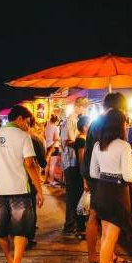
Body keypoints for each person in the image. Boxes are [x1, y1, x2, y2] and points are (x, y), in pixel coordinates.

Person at [0, 105, 43, 263]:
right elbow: (30, 164)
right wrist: (39, 189)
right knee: (21, 229)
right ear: (19, 118)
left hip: (0, 191)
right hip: (20, 191)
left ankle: (10, 261)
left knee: (2, 229)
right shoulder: (24, 137)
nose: (28, 125)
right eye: (27, 121)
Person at [81, 93, 129, 263]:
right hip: (103, 180)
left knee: (104, 220)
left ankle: (107, 259)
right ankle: (96, 259)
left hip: (97, 177)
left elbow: (91, 155)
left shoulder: (97, 122)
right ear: (118, 108)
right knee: (96, 217)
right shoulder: (104, 123)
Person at [90, 110, 132, 263]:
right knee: (110, 236)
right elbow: (128, 176)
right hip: (116, 191)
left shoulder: (98, 145)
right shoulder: (123, 145)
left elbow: (93, 172)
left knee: (106, 233)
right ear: (120, 125)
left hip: (102, 189)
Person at [60, 97, 88, 234]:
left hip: (73, 162)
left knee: (75, 195)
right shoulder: (72, 119)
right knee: (72, 196)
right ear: (79, 106)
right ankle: (69, 225)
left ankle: (74, 224)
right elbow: (67, 141)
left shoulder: (74, 119)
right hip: (71, 162)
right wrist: (81, 141)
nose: (85, 110)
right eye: (85, 107)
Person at [27, 117, 47, 249]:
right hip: (30, 179)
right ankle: (29, 237)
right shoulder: (35, 139)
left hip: (12, 180)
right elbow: (42, 162)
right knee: (30, 207)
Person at [73, 116, 90, 240]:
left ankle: (81, 227)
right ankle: (80, 228)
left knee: (83, 201)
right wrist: (84, 178)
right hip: (81, 175)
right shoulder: (81, 140)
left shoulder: (83, 139)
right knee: (81, 201)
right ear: (84, 127)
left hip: (82, 173)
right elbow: (81, 159)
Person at [44, 114, 60, 184]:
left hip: (47, 146)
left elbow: (44, 137)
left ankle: (45, 180)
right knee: (52, 165)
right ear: (56, 121)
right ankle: (52, 181)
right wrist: (59, 139)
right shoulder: (55, 127)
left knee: (47, 165)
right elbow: (56, 138)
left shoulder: (46, 127)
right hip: (54, 147)